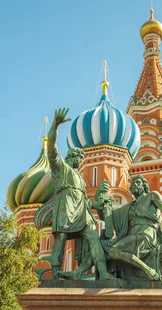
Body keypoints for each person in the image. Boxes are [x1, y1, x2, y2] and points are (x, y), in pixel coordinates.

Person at [60, 174, 162, 280]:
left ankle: (148, 270)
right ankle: (78, 272)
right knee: (100, 245)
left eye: (137, 183)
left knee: (114, 251)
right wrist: (101, 197)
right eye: (132, 184)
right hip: (131, 237)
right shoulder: (129, 207)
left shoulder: (152, 196)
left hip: (146, 236)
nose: (134, 185)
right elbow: (107, 217)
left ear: (144, 186)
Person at [45, 107, 114, 280]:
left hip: (82, 213)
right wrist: (55, 125)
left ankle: (103, 273)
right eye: (79, 158)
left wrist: (99, 203)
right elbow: (51, 148)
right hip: (65, 208)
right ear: (72, 157)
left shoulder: (79, 178)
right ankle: (54, 273)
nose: (80, 161)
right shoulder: (61, 168)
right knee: (61, 238)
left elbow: (84, 201)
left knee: (94, 238)